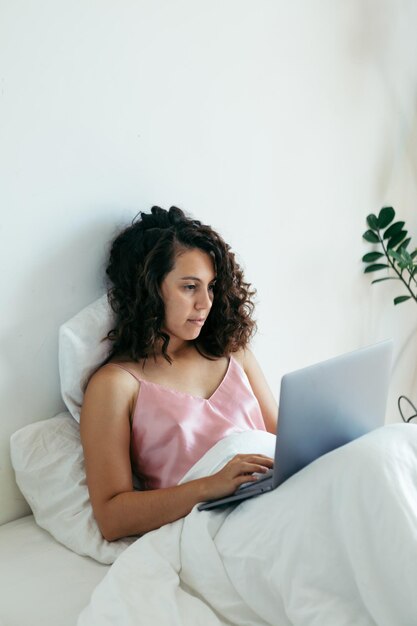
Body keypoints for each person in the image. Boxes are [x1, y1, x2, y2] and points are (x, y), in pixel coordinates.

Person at [80, 206, 278, 542]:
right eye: (190, 287)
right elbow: (111, 517)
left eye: (212, 287)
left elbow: (284, 443)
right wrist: (210, 486)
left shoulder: (233, 353)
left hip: (276, 498)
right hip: (216, 527)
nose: (206, 303)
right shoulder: (116, 385)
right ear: (150, 288)